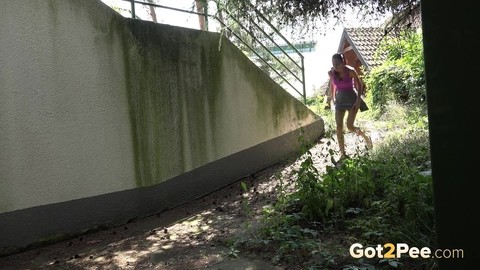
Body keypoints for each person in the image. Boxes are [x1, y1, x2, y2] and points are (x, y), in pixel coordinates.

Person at [328, 53, 372, 159]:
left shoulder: (350, 71)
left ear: (343, 62)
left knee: (350, 126)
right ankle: (343, 153)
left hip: (352, 100)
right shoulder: (331, 73)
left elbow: (360, 85)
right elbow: (332, 85)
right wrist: (332, 98)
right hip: (339, 101)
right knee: (338, 127)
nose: (336, 67)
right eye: (334, 64)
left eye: (338, 64)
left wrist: (358, 101)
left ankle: (366, 138)